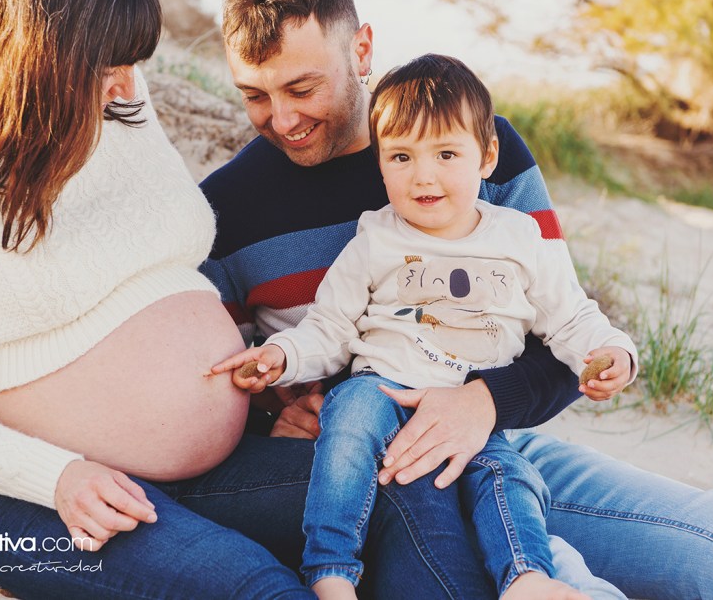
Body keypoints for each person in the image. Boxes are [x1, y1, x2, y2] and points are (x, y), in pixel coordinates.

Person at [0, 0, 556, 598]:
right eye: (106, 65)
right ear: (41, 54)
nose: (126, 83)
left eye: (130, 62)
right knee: (257, 586)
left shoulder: (122, 114)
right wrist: (57, 476)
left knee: (410, 495)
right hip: (38, 493)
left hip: (212, 463)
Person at [200, 0, 713, 600]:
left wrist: (483, 402)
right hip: (364, 475)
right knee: (570, 580)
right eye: (254, 96)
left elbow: (563, 327)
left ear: (361, 49)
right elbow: (218, 388)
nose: (283, 119)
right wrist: (272, 417)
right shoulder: (226, 212)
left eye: (301, 89)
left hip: (501, 445)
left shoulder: (478, 147)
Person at [213, 53, 638, 600]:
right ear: (382, 166)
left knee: (506, 477)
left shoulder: (519, 238)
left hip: (469, 405)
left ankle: (527, 577)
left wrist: (610, 352)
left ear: (486, 157)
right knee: (346, 435)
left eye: (445, 153)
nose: (424, 175)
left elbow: (571, 315)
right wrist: (281, 359)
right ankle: (331, 570)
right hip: (381, 385)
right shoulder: (376, 238)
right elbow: (330, 327)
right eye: (401, 157)